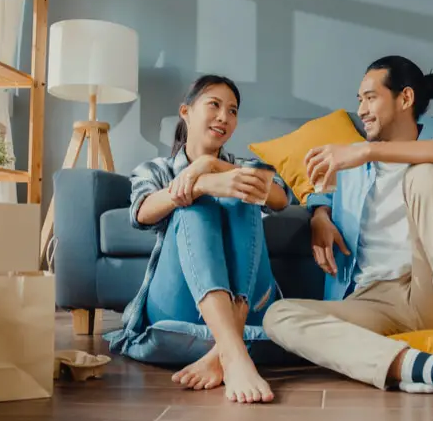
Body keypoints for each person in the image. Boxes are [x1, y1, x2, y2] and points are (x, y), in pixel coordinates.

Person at [262, 56, 433, 417]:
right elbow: (316, 189)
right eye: (359, 100)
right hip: (371, 300)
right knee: (279, 316)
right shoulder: (351, 170)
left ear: (405, 99)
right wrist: (320, 213)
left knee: (424, 176)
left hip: (429, 287)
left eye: (370, 97)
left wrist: (366, 149)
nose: (361, 110)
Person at [104, 75, 292, 404]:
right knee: (192, 209)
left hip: (249, 306)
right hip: (179, 304)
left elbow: (281, 199)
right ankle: (234, 353)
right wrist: (199, 184)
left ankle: (225, 354)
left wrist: (209, 166)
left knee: (245, 191)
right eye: (214, 105)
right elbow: (141, 213)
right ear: (186, 112)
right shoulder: (156, 168)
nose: (224, 117)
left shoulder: (240, 168)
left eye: (232, 111)